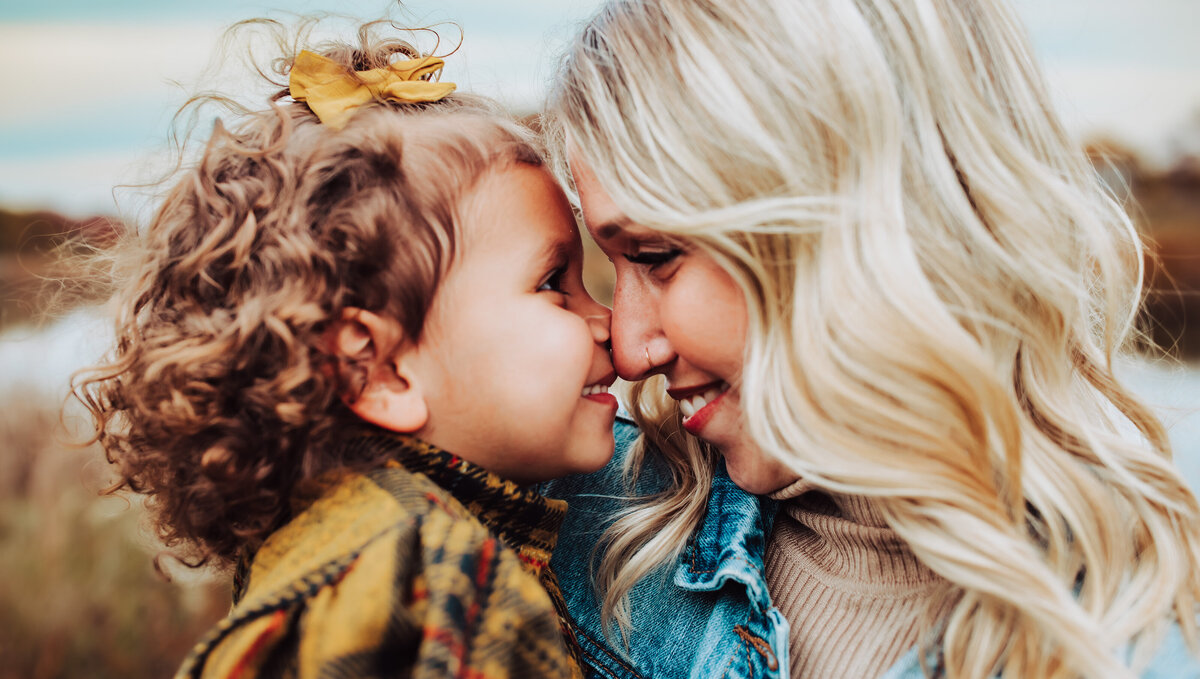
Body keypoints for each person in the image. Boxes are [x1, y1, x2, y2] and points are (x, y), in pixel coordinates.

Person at [539, 0, 1200, 677]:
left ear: (855, 222)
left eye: (654, 256)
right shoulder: (580, 524)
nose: (627, 345)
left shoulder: (1136, 651)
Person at [74, 22, 617, 679]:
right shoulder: (429, 587)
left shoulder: (335, 542)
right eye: (553, 283)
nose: (607, 320)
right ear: (379, 368)